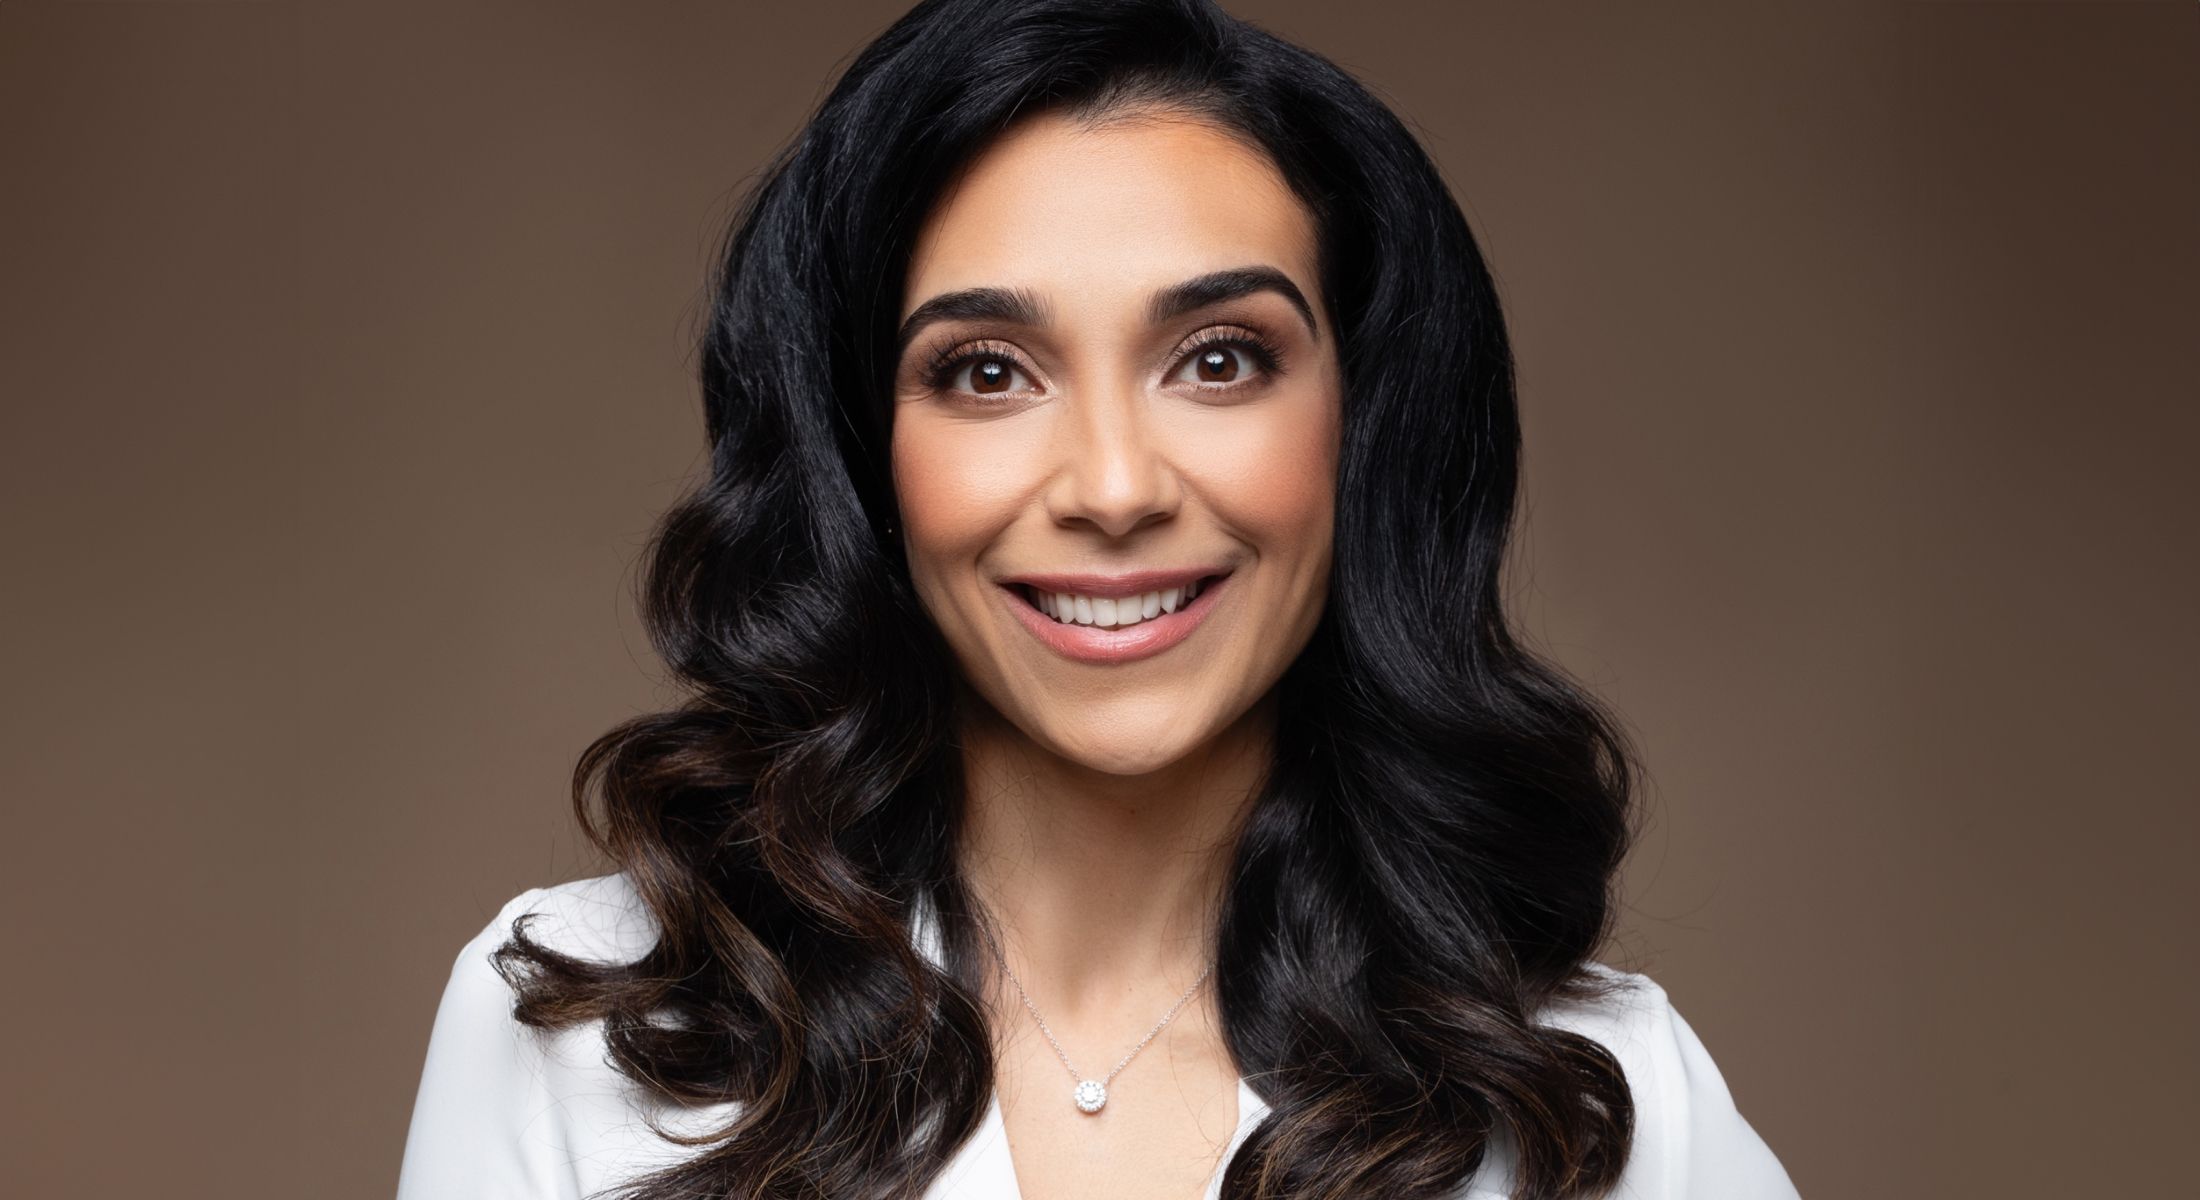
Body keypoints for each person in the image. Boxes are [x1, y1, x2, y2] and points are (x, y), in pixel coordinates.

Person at [395, 1, 1802, 1197]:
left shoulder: (1593, 1105)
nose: (1116, 487)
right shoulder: (586, 1037)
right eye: (987, 371)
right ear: (860, 453)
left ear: (1364, 424)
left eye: (1220, 358)